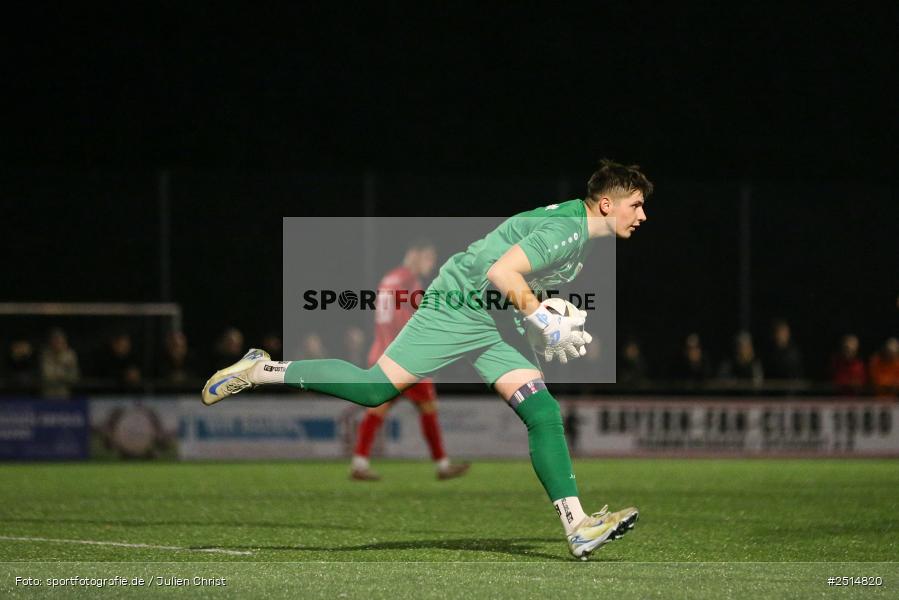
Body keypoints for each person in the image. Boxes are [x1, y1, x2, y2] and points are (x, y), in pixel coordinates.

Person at [202, 159, 649, 560]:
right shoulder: (567, 230)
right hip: (462, 305)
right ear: (607, 204)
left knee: (543, 411)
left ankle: (578, 526)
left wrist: (539, 313)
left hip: (493, 318)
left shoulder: (580, 232)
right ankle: (262, 369)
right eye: (636, 204)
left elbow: (514, 276)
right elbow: (500, 272)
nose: (642, 214)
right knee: (374, 388)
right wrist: (540, 316)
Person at [349, 241, 470, 481]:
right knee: (427, 409)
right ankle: (442, 466)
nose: (431, 263)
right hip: (404, 358)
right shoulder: (408, 280)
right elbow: (409, 320)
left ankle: (359, 463)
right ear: (414, 255)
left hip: (382, 354)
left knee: (379, 409)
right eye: (428, 257)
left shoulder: (389, 278)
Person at [40, 327, 80, 399]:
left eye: (59, 340)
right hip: (48, 395)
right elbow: (47, 375)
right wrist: (62, 374)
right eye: (55, 340)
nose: (57, 343)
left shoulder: (70, 355)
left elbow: (73, 377)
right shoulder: (46, 354)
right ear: (51, 342)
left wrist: (61, 376)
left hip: (64, 394)